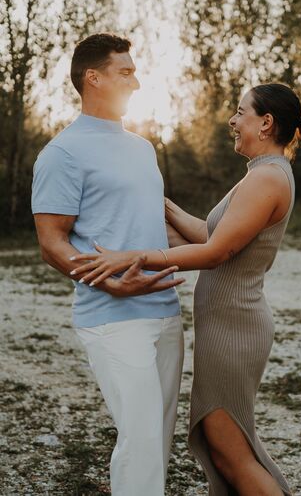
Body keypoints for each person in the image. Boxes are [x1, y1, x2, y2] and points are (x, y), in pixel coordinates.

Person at [70, 82, 301, 496]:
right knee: (224, 446)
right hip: (228, 325)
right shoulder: (262, 174)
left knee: (230, 452)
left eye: (241, 113)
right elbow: (208, 232)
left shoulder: (267, 179)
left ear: (266, 122)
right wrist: (160, 202)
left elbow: (215, 252)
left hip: (235, 329)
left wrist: (135, 257)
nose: (233, 122)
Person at [31, 33, 186, 496]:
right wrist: (109, 283)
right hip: (111, 318)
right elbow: (51, 242)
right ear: (93, 78)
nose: (136, 82)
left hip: (167, 311)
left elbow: (153, 227)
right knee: (139, 440)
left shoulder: (143, 149)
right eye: (126, 72)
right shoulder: (62, 153)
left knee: (156, 441)